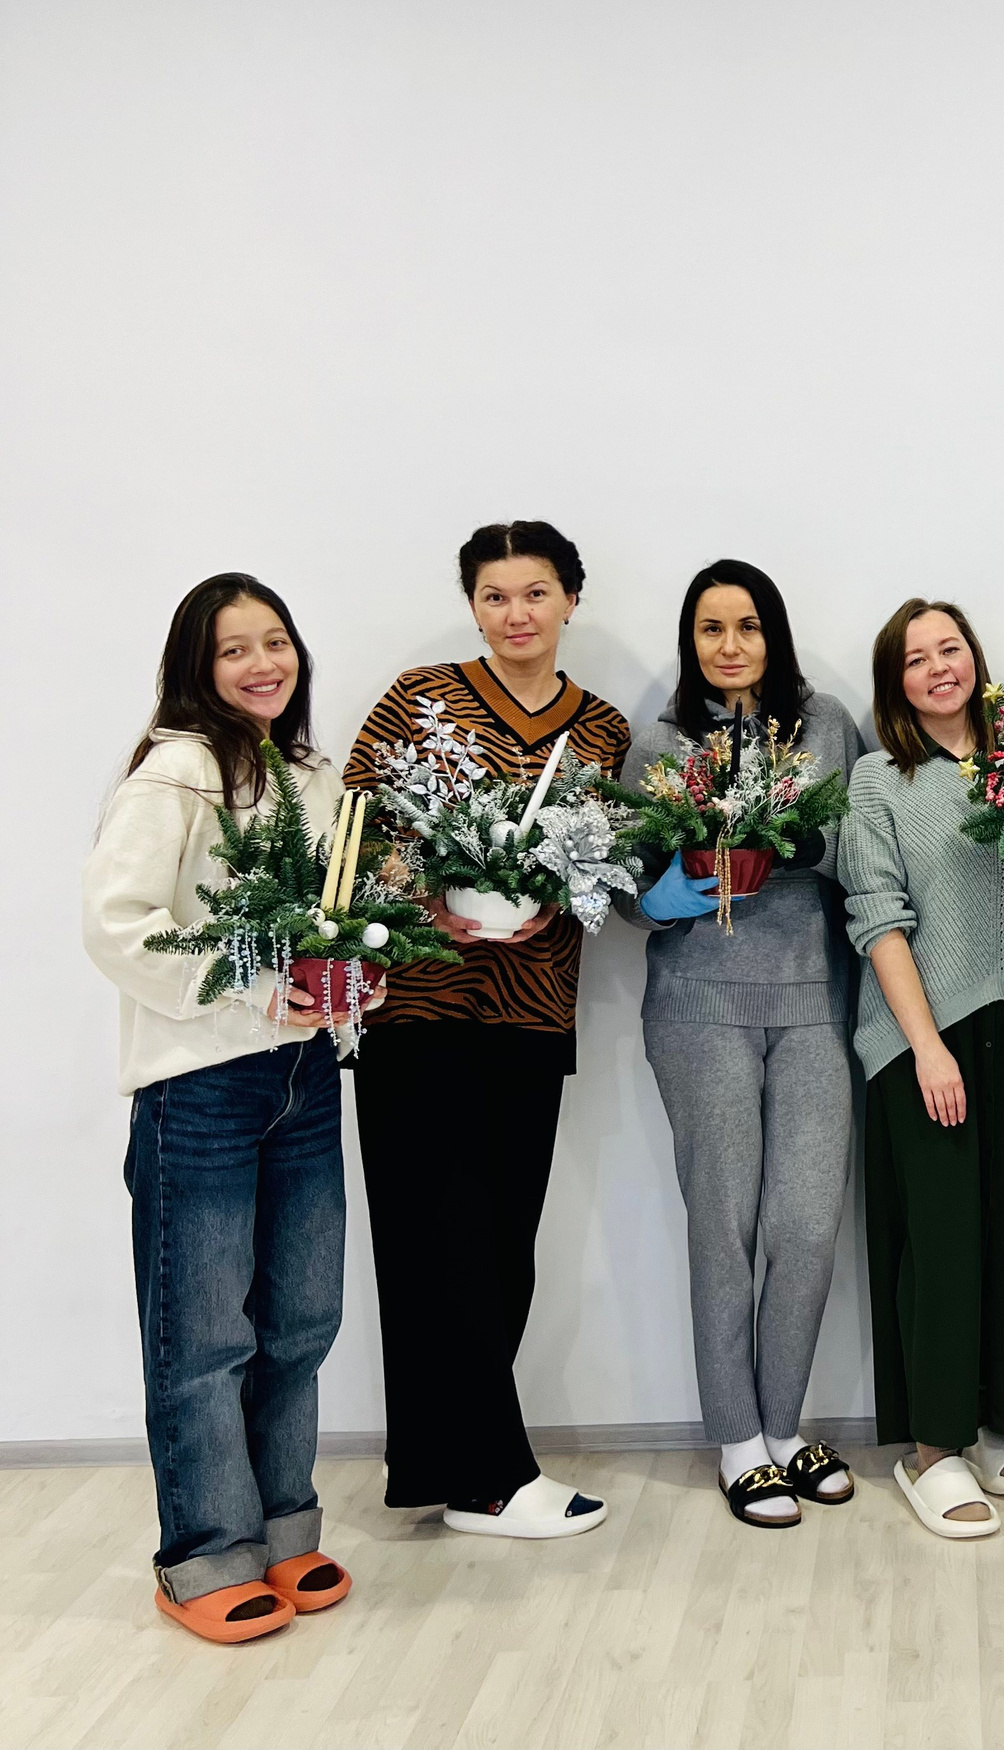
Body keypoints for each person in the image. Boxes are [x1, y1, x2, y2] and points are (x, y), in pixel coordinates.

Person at [83, 575, 355, 1642]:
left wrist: (350, 976)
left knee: (301, 1319)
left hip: (303, 1075)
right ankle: (203, 1554)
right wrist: (251, 984)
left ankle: (283, 1528)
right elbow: (117, 924)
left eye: (274, 642)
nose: (260, 664)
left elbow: (334, 913)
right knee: (202, 1335)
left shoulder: (311, 775)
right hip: (200, 1083)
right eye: (234, 648)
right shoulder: (176, 775)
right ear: (197, 667)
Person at [344, 521, 629, 1538]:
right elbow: (352, 827)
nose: (516, 614)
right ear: (472, 605)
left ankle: (448, 1467)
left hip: (532, 1013)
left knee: (504, 1248)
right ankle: (495, 1474)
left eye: (536, 592)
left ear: (570, 600)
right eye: (495, 596)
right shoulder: (419, 696)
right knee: (438, 1243)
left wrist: (562, 895)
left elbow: (607, 858)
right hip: (418, 1014)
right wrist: (423, 900)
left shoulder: (600, 728)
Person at [619, 560, 865, 1528]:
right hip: (699, 1005)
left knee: (805, 1226)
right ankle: (736, 1440)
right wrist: (661, 897)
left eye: (748, 626)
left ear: (776, 634)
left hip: (815, 1006)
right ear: (691, 641)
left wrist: (804, 845)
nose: (730, 645)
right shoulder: (660, 743)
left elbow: (866, 846)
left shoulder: (828, 725)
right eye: (710, 628)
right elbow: (627, 888)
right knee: (725, 1226)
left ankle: (783, 1427)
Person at [841, 599, 1004, 1538]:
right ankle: (930, 1451)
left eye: (951, 648)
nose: (939, 667)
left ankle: (986, 1420)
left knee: (993, 1229)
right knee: (937, 1237)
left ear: (977, 659)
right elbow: (877, 917)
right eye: (915, 658)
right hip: (919, 1039)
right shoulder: (878, 780)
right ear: (894, 683)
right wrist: (927, 1045)